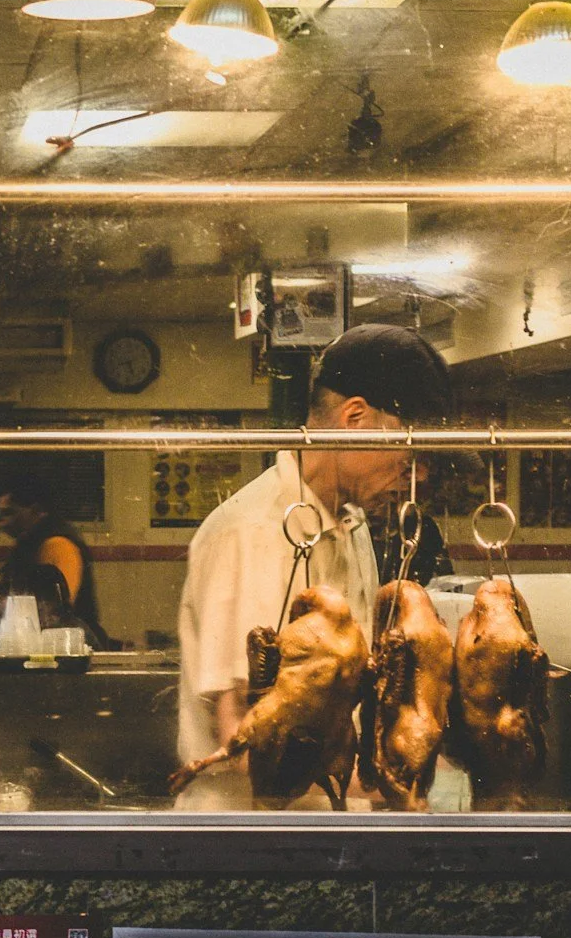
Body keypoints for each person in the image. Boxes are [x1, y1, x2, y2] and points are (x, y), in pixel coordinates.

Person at [174, 324, 453, 808]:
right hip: (254, 844)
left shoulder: (353, 524)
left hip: (332, 824)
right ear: (355, 417)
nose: (419, 473)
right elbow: (245, 741)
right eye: (410, 452)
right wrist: (400, 787)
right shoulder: (250, 532)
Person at [0, 476, 111, 648]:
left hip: (69, 644)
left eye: (10, 513)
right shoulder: (31, 543)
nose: (3, 523)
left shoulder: (57, 544)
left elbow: (57, 605)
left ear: (35, 510)